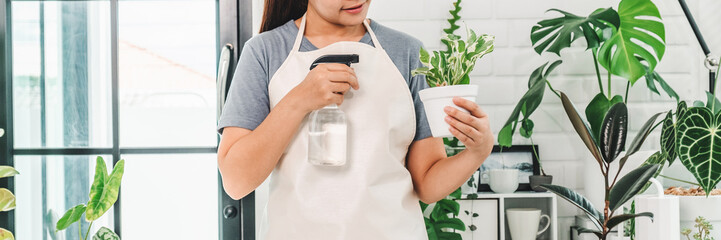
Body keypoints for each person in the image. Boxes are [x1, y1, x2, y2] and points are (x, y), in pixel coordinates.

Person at [216, 0, 494, 239]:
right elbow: (237, 181)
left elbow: (426, 185)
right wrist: (299, 100)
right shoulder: (265, 53)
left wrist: (478, 152)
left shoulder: (407, 53)